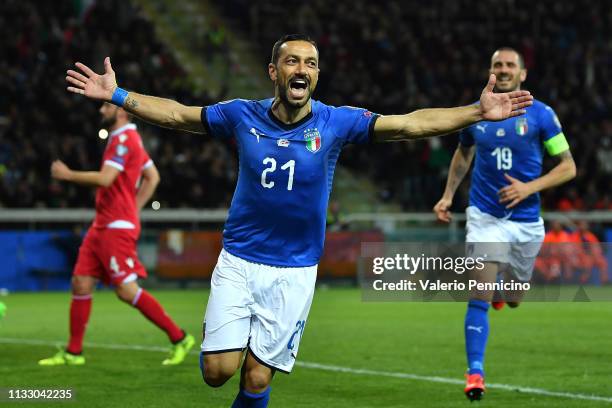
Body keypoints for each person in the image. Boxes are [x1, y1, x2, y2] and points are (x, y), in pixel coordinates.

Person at [65, 34, 532, 407]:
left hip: (295, 272)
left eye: (310, 63)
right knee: (217, 373)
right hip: (240, 261)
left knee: (256, 376)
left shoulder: (335, 122)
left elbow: (409, 123)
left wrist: (475, 111)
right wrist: (119, 95)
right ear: (274, 71)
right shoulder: (240, 115)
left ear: (317, 75)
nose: (302, 70)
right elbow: (178, 114)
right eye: (292, 62)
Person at [433, 47, 576, 401]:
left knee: (513, 298)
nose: (504, 68)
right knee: (478, 292)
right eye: (498, 63)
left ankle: (504, 294)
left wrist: (529, 187)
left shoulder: (542, 116)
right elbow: (463, 152)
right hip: (484, 216)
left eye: (511, 64)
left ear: (523, 74)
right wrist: (448, 195)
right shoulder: (478, 113)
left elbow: (567, 166)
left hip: (526, 221)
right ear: (491, 71)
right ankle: (475, 372)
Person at [39, 102, 195, 366]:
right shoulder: (127, 139)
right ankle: (73, 353)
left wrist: (68, 175)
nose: (101, 111)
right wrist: (133, 209)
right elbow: (153, 177)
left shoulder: (124, 139)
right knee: (81, 283)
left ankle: (179, 338)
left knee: (126, 290)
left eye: (105, 106)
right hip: (103, 224)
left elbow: (105, 179)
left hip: (115, 228)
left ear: (120, 111)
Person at [570, 220, 609, 284]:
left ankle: (604, 281)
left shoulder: (590, 236)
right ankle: (582, 282)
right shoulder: (574, 236)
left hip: (591, 257)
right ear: (578, 226)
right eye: (581, 225)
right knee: (587, 262)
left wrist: (596, 255)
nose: (582, 227)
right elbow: (572, 249)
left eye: (584, 225)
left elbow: (597, 248)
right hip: (579, 258)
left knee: (603, 262)